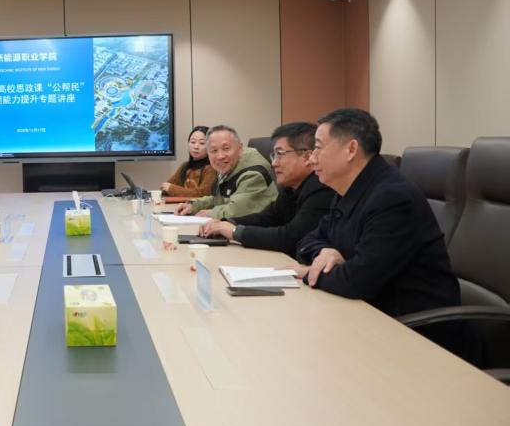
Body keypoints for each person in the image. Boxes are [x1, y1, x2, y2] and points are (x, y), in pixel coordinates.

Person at [294, 108, 460, 316]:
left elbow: (357, 281)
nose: (311, 159)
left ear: (351, 149)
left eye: (318, 147)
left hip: (414, 325)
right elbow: (307, 241)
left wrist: (310, 272)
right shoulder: (348, 190)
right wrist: (326, 251)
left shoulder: (393, 198)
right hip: (368, 311)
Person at [198, 122, 334, 256]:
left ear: (307, 157)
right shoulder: (290, 187)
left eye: (280, 154)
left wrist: (234, 232)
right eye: (274, 155)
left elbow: (290, 238)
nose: (274, 163)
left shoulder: (321, 189)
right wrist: (226, 223)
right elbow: (267, 218)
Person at [175, 125, 277, 219]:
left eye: (226, 149)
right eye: (214, 150)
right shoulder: (230, 167)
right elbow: (219, 199)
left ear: (240, 148)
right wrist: (193, 206)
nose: (220, 156)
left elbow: (238, 210)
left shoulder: (254, 174)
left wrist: (211, 213)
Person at [160, 125, 216, 198]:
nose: (196, 146)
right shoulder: (185, 166)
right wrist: (167, 189)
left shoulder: (212, 168)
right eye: (193, 142)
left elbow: (202, 194)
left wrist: (171, 189)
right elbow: (167, 186)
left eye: (202, 143)